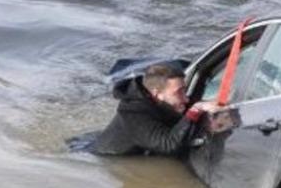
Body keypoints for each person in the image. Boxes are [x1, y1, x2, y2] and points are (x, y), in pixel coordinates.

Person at [85, 63, 218, 156]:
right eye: (179, 92)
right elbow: (169, 145)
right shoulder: (133, 114)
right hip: (104, 156)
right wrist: (195, 110)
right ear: (156, 93)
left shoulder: (161, 101)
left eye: (185, 90)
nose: (186, 98)